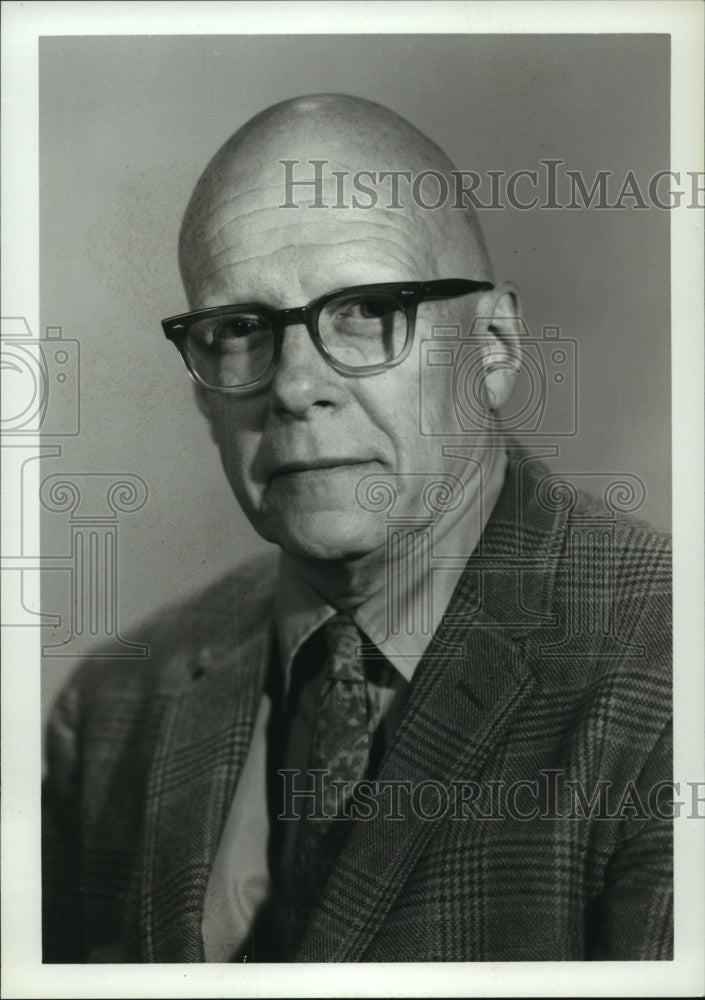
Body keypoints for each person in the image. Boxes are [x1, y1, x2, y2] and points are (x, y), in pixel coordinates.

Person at [42, 93, 672, 963]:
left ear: (492, 344)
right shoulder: (112, 712)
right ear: (201, 390)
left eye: (368, 309)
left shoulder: (671, 671)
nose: (295, 385)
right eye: (239, 329)